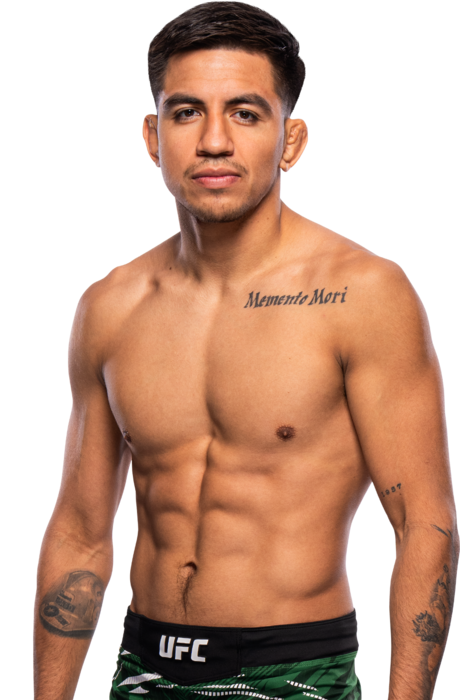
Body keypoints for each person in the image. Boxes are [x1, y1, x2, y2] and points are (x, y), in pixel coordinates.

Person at [32, 2, 459, 699]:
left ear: (291, 141)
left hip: (295, 673)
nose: (214, 141)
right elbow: (80, 532)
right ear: (153, 137)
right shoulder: (111, 307)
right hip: (142, 670)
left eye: (246, 113)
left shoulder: (362, 295)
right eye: (187, 112)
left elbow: (424, 525)